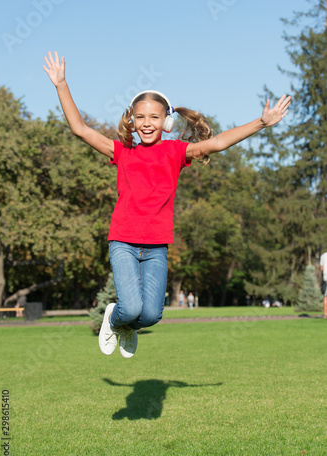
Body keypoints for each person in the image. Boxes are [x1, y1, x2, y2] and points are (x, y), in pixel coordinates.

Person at [43, 51, 291, 358]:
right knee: (130, 307)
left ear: (167, 122)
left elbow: (217, 143)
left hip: (157, 245)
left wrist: (261, 123)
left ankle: (127, 327)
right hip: (123, 241)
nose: (147, 124)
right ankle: (114, 318)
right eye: (141, 117)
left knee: (151, 316)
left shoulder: (176, 152)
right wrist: (61, 84)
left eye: (154, 117)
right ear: (131, 120)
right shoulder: (122, 151)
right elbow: (80, 129)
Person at [320, 251, 327, 319]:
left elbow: (321, 268)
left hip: (326, 278)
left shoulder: (323, 256)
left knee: (326, 297)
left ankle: (325, 314)